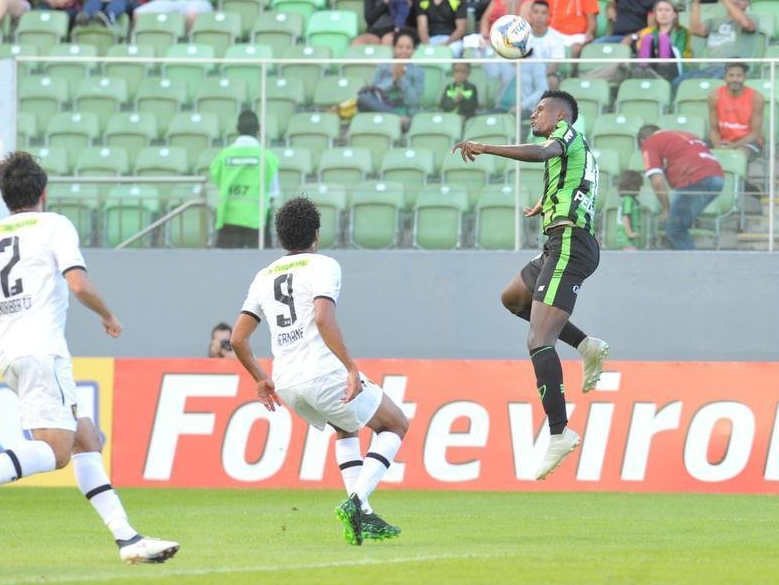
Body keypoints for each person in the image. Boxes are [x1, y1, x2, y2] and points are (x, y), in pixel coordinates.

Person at [0, 151, 179, 563]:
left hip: (11, 354)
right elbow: (79, 284)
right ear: (43, 192)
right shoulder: (54, 226)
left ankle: (128, 540)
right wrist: (108, 314)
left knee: (87, 439)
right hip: (43, 350)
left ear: (5, 195)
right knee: (57, 451)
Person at [231, 197, 410, 545]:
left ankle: (364, 517)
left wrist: (259, 378)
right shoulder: (323, 265)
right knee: (396, 424)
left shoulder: (263, 276)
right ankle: (356, 502)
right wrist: (351, 367)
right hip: (321, 372)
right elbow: (323, 317)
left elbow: (238, 339)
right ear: (316, 233)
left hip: (286, 382)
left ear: (281, 237)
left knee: (346, 429)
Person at [451, 90, 610, 480]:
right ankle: (587, 344)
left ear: (560, 115)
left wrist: (485, 147)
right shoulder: (576, 151)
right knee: (513, 298)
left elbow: (544, 154)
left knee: (539, 341)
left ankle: (559, 431)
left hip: (570, 243)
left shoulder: (568, 134)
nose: (533, 114)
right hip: (559, 243)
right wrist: (547, 200)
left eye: (540, 109)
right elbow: (576, 180)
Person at [637, 124, 725, 250]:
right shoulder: (687, 135)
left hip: (694, 179)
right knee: (679, 224)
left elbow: (657, 181)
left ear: (642, 141)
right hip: (717, 177)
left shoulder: (650, 142)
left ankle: (691, 267)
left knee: (674, 229)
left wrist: (666, 208)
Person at [208, 110, 281, 248]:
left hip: (228, 221)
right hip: (257, 222)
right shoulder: (268, 158)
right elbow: (273, 193)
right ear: (258, 129)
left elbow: (218, 181)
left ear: (237, 129)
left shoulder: (222, 157)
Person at [689, 0, 759, 66]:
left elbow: (745, 24)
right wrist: (696, 2)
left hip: (734, 71)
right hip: (711, 70)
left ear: (747, 4)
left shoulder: (752, 19)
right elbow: (694, 30)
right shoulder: (714, 21)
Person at [708, 61, 764, 158]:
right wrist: (717, 146)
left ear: (745, 77)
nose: (735, 79)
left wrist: (733, 146)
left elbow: (755, 133)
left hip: (747, 141)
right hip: (723, 140)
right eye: (731, 76)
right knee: (697, 150)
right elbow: (713, 129)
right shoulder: (714, 96)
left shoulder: (756, 97)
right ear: (725, 77)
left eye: (739, 76)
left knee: (738, 154)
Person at [357, 54, 425, 131]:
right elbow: (374, 92)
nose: (403, 51)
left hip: (405, 112)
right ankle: (396, 118)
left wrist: (401, 78)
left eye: (408, 48)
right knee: (363, 98)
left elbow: (413, 101)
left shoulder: (418, 71)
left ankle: (396, 119)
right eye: (400, 47)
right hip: (383, 110)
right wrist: (393, 79)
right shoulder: (383, 68)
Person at [631, 0, 686, 81]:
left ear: (674, 14)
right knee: (647, 38)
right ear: (655, 14)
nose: (663, 13)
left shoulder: (682, 32)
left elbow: (680, 52)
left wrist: (662, 47)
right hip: (653, 65)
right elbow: (640, 51)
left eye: (667, 10)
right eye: (660, 10)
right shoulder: (649, 32)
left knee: (663, 38)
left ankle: (663, 75)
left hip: (674, 66)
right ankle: (642, 71)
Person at [615, 170, 644, 251]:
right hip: (627, 238)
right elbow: (625, 217)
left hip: (627, 238)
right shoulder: (628, 200)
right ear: (632, 186)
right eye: (638, 186)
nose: (640, 189)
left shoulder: (628, 199)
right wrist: (630, 233)